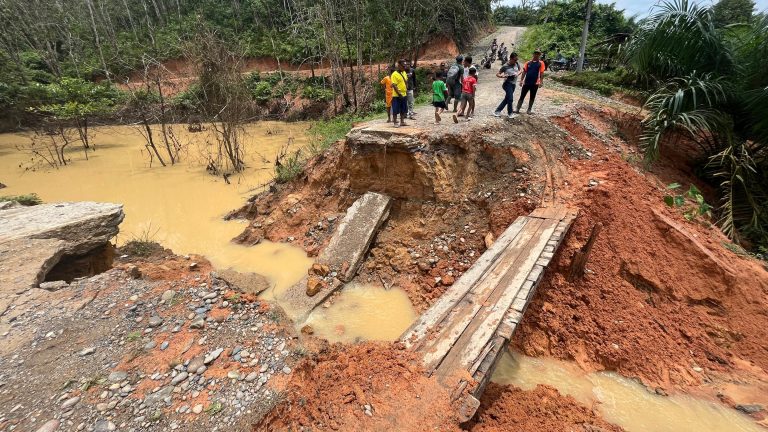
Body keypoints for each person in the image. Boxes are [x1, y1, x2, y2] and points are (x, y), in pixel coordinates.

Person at [516, 49, 546, 114]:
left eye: (538, 54)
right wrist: (521, 80)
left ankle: (529, 110)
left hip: (535, 83)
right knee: (522, 96)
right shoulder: (528, 63)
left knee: (532, 96)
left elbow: (542, 73)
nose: (536, 55)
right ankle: (517, 109)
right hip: (526, 82)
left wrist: (541, 81)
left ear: (539, 55)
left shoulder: (541, 63)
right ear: (533, 54)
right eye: (535, 53)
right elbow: (524, 72)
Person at [493, 52, 520, 118]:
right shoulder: (505, 66)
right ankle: (510, 113)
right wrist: (503, 76)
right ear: (510, 58)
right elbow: (497, 74)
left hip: (513, 84)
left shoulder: (516, 64)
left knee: (507, 98)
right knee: (510, 99)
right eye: (514, 60)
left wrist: (517, 74)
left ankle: (497, 111)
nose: (516, 61)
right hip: (507, 84)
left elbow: (520, 70)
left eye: (516, 60)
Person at [391, 60, 409, 127]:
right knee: (395, 109)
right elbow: (394, 85)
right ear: (399, 66)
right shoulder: (394, 74)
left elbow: (406, 80)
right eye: (403, 66)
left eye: (405, 65)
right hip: (396, 95)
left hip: (404, 94)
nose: (405, 67)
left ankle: (402, 121)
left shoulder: (404, 72)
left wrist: (406, 88)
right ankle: (395, 122)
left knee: (403, 109)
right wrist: (399, 94)